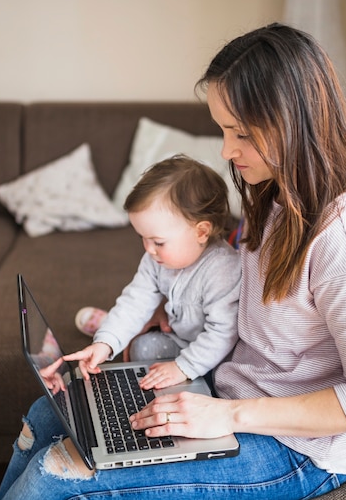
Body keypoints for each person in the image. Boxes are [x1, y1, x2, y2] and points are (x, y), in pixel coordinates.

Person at [0, 23, 346, 499]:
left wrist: (227, 414)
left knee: (55, 476)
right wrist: (162, 318)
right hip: (225, 390)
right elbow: (229, 291)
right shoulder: (274, 195)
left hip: (298, 449)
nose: (227, 151)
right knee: (48, 414)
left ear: (297, 122)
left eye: (242, 133)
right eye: (224, 130)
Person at [65, 155, 241, 391]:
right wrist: (104, 344)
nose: (148, 249)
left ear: (201, 232)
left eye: (158, 242)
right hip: (180, 338)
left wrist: (182, 368)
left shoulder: (222, 270)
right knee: (140, 347)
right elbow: (134, 302)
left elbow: (223, 334)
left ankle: (112, 324)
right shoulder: (155, 259)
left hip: (218, 355)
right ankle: (110, 328)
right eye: (143, 238)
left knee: (209, 376)